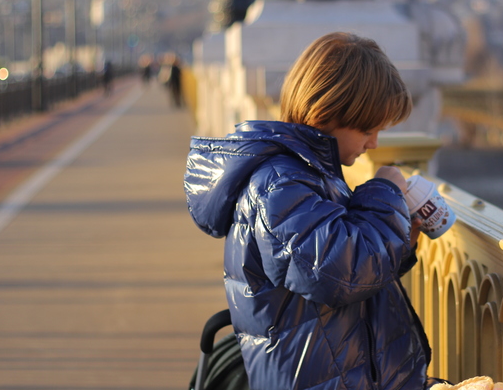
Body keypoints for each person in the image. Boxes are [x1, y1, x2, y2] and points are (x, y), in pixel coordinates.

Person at [184, 32, 445, 390]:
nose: (374, 144)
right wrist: (385, 192)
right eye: (368, 130)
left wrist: (399, 239)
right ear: (326, 113)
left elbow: (335, 271)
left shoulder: (308, 175)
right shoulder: (277, 184)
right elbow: (337, 273)